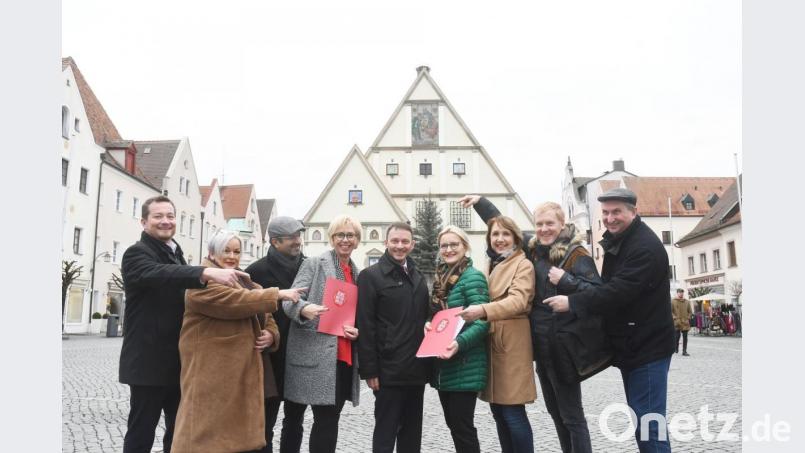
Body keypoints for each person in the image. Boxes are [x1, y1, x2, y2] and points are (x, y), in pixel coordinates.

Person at [459, 196, 602, 453]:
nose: (544, 229)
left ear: (562, 224)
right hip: (541, 346)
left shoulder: (576, 254)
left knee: (572, 416)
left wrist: (567, 283)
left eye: (550, 223)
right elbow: (503, 227)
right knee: (556, 413)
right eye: (539, 224)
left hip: (564, 346)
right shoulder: (535, 249)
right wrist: (481, 202)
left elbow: (598, 295)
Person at [543, 188, 676, 453]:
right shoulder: (623, 239)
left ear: (633, 212)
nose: (610, 218)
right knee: (643, 421)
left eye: (617, 212)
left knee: (649, 424)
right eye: (605, 212)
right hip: (634, 345)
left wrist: (572, 302)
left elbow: (617, 292)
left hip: (648, 347)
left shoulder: (644, 247)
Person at [119, 195, 252, 453]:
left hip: (181, 361)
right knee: (141, 433)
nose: (165, 221)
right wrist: (204, 271)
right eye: (158, 216)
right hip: (148, 362)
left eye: (170, 216)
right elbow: (159, 273)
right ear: (143, 222)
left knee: (180, 433)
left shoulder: (175, 253)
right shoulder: (137, 253)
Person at [171, 230, 304, 453]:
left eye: (237, 251)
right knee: (206, 438)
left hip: (242, 373)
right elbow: (236, 302)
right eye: (226, 251)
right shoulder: (201, 281)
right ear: (212, 253)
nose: (232, 256)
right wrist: (277, 294)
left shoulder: (244, 280)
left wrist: (271, 334)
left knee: (239, 439)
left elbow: (267, 317)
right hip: (211, 375)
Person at [281, 215, 362, 453]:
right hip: (309, 356)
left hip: (341, 357)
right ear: (332, 238)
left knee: (328, 422)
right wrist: (304, 309)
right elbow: (289, 301)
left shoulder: (358, 273)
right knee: (293, 419)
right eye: (339, 235)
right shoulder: (315, 264)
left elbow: (357, 314)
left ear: (357, 240)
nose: (345, 240)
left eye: (350, 235)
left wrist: (358, 330)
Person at [458, 216, 536, 453]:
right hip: (492, 343)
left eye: (505, 234)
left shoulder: (523, 264)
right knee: (498, 411)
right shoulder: (492, 263)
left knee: (512, 411)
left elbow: (519, 301)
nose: (500, 239)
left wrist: (483, 310)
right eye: (495, 234)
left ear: (515, 237)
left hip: (512, 344)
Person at [356, 222, 432, 453]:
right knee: (385, 433)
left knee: (412, 434)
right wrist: (370, 370)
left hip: (416, 368)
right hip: (388, 370)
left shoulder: (418, 276)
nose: (400, 246)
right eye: (395, 241)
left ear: (412, 244)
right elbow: (365, 325)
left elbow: (425, 314)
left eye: (405, 241)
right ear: (386, 242)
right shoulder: (370, 276)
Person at [245, 216, 307, 453]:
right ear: (275, 241)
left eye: (298, 236)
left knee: (295, 422)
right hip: (269, 359)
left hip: (301, 357)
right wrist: (268, 333)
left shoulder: (309, 266)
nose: (297, 241)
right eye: (291, 237)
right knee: (264, 423)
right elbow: (246, 310)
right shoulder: (256, 271)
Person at [426, 225, 490, 453]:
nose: (449, 249)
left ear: (465, 247)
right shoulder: (441, 279)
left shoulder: (473, 277)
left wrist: (459, 343)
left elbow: (483, 320)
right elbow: (439, 316)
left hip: (465, 362)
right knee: (455, 425)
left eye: (454, 244)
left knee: (463, 427)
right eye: (444, 245)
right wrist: (429, 324)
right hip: (445, 364)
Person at [671, 289, 693, 356]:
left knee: (685, 337)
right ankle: (676, 347)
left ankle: (684, 351)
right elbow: (670, 311)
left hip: (685, 322)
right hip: (677, 322)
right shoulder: (673, 301)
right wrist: (674, 318)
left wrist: (688, 318)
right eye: (680, 292)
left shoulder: (687, 302)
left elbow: (690, 312)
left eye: (682, 292)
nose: (681, 294)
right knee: (677, 336)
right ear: (677, 293)